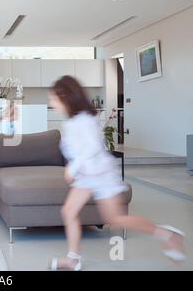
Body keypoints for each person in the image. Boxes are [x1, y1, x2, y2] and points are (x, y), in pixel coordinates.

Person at [48, 75, 186, 271]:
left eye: (53, 98)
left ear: (65, 96)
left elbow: (94, 146)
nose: (51, 103)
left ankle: (166, 234)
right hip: (87, 177)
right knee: (68, 212)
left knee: (114, 220)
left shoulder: (84, 120)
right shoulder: (72, 123)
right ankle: (73, 259)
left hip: (102, 175)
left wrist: (73, 167)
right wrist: (76, 168)